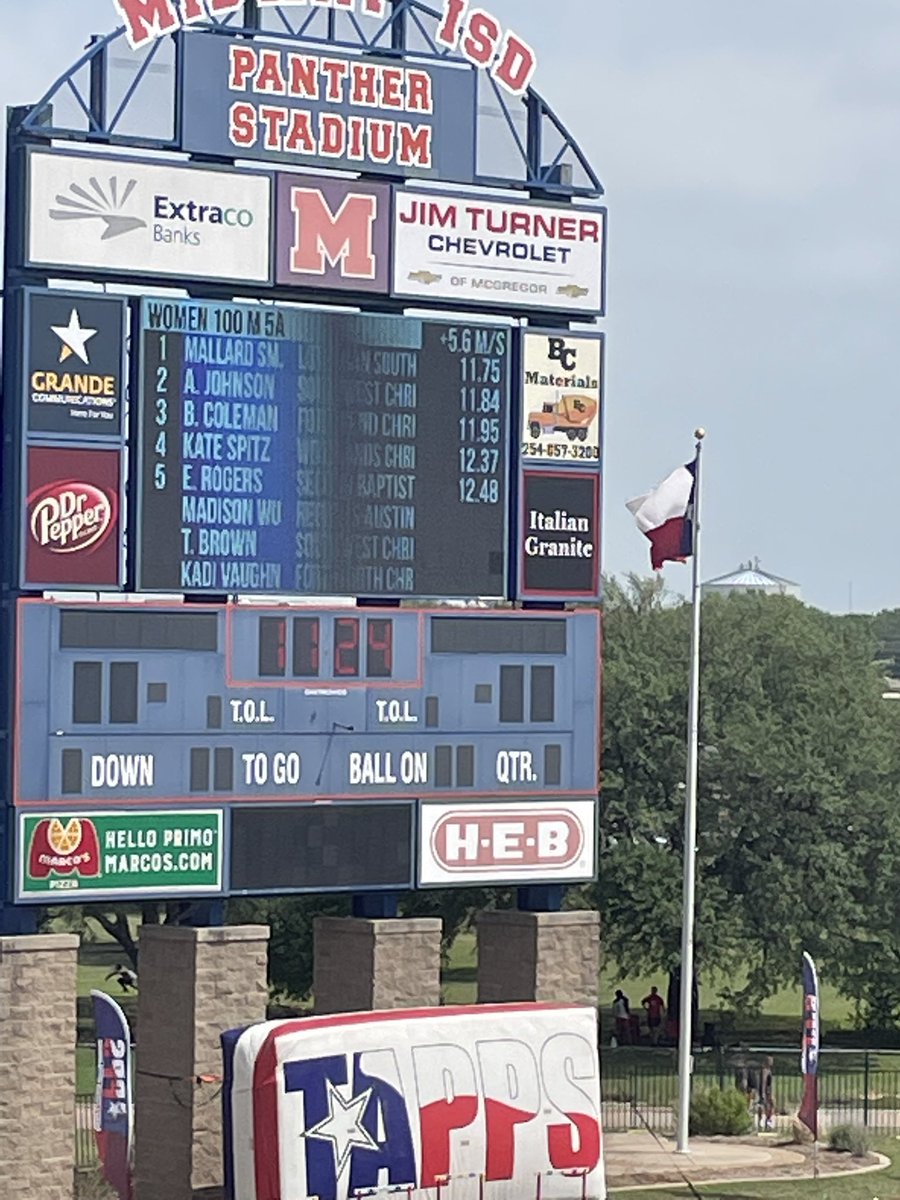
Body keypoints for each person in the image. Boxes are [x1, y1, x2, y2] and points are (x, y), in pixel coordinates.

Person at [756, 1056, 775, 1130]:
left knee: (770, 1106)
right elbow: (763, 1082)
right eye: (770, 1061)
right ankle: (763, 1121)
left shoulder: (768, 1070)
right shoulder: (765, 1071)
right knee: (766, 1106)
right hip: (766, 1092)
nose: (771, 1062)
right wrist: (763, 1093)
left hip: (768, 1091)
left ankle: (767, 1121)